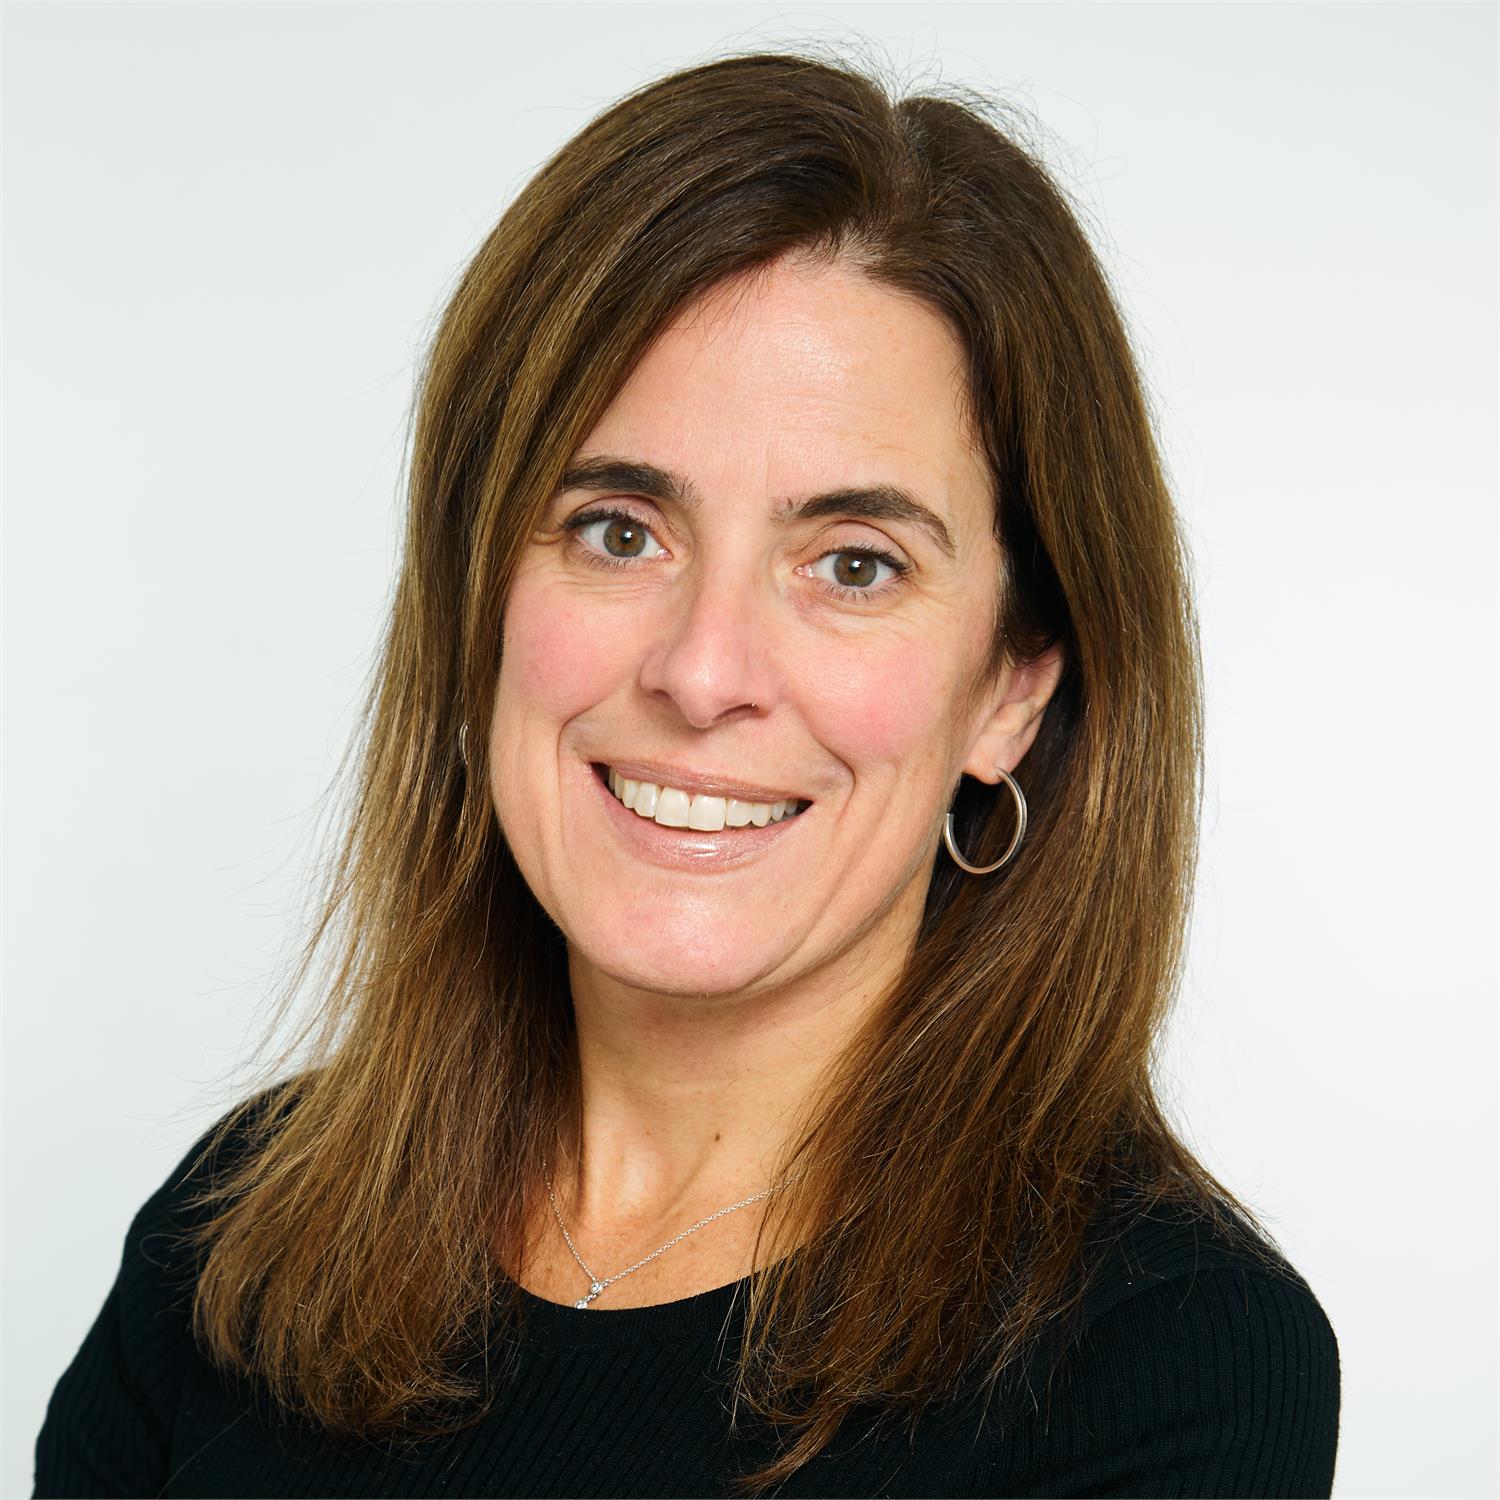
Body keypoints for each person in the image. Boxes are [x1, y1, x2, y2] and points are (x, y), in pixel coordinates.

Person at [34, 46, 1340, 1499]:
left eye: (854, 564)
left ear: (1014, 689)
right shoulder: (236, 1238)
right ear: (476, 598)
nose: (703, 670)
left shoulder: (1165, 1360)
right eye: (617, 531)